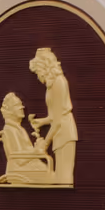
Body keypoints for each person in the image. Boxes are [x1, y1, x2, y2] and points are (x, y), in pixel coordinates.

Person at [26, 47, 76, 185]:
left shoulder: (59, 83)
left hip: (65, 134)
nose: (37, 76)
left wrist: (45, 144)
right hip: (59, 133)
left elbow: (59, 120)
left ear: (44, 67)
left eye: (37, 72)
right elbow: (54, 116)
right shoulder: (51, 85)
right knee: (59, 178)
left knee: (64, 179)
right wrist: (40, 122)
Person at [0, 92, 55, 185]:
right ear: (9, 110)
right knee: (53, 178)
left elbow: (26, 151)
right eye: (17, 105)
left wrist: (37, 147)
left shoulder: (20, 129)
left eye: (21, 104)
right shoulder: (10, 130)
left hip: (30, 167)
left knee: (54, 176)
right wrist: (36, 151)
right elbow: (19, 159)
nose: (22, 107)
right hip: (19, 171)